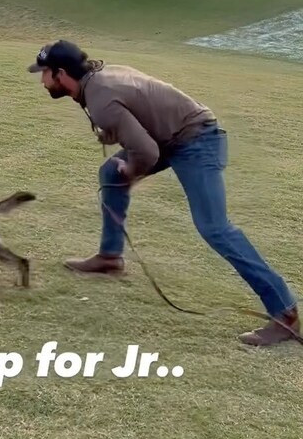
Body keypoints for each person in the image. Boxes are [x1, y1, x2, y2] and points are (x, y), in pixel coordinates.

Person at [27, 39, 300, 347]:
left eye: (45, 73)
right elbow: (138, 118)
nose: (42, 80)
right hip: (172, 138)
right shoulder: (98, 81)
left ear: (61, 74)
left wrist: (131, 172)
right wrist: (118, 146)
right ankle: (110, 258)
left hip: (196, 140)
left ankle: (285, 313)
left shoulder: (100, 98)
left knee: (214, 227)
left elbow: (145, 151)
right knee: (109, 172)